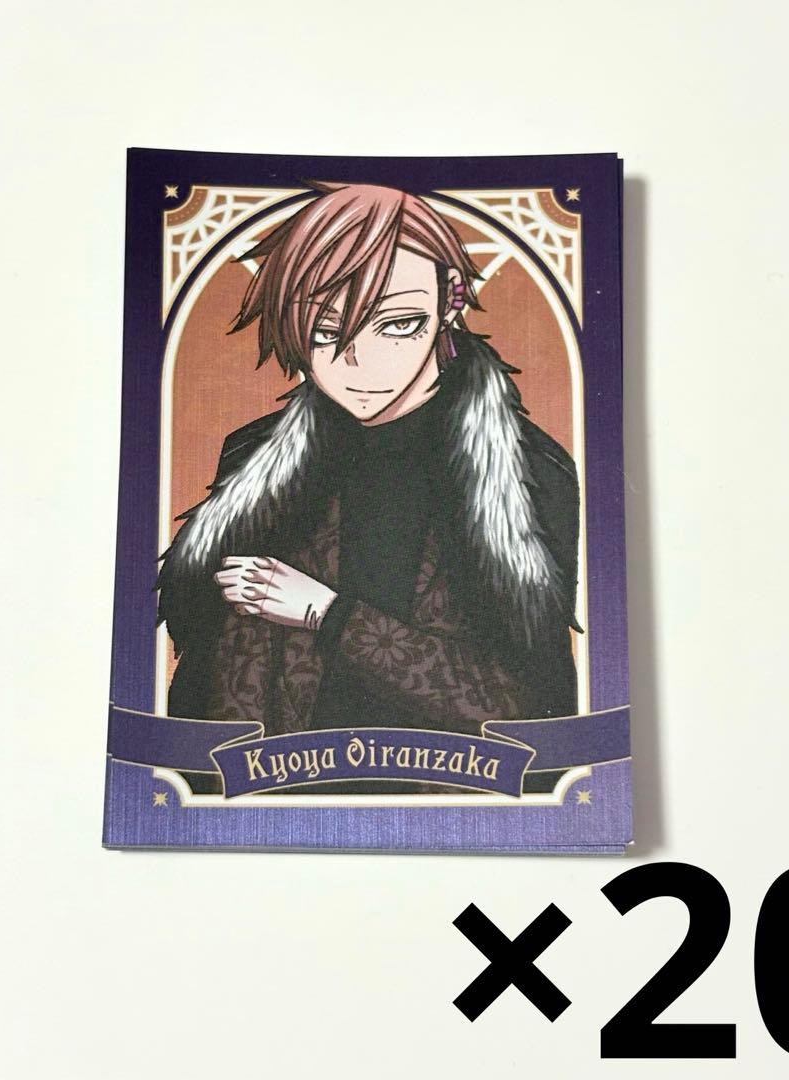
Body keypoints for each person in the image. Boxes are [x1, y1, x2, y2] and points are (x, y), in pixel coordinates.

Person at [157, 182, 582, 754]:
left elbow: (532, 705)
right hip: (274, 786)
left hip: (453, 786)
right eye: (326, 332)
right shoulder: (253, 459)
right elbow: (205, 683)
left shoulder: (523, 475)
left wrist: (327, 614)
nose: (360, 364)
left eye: (398, 324)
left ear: (451, 301)